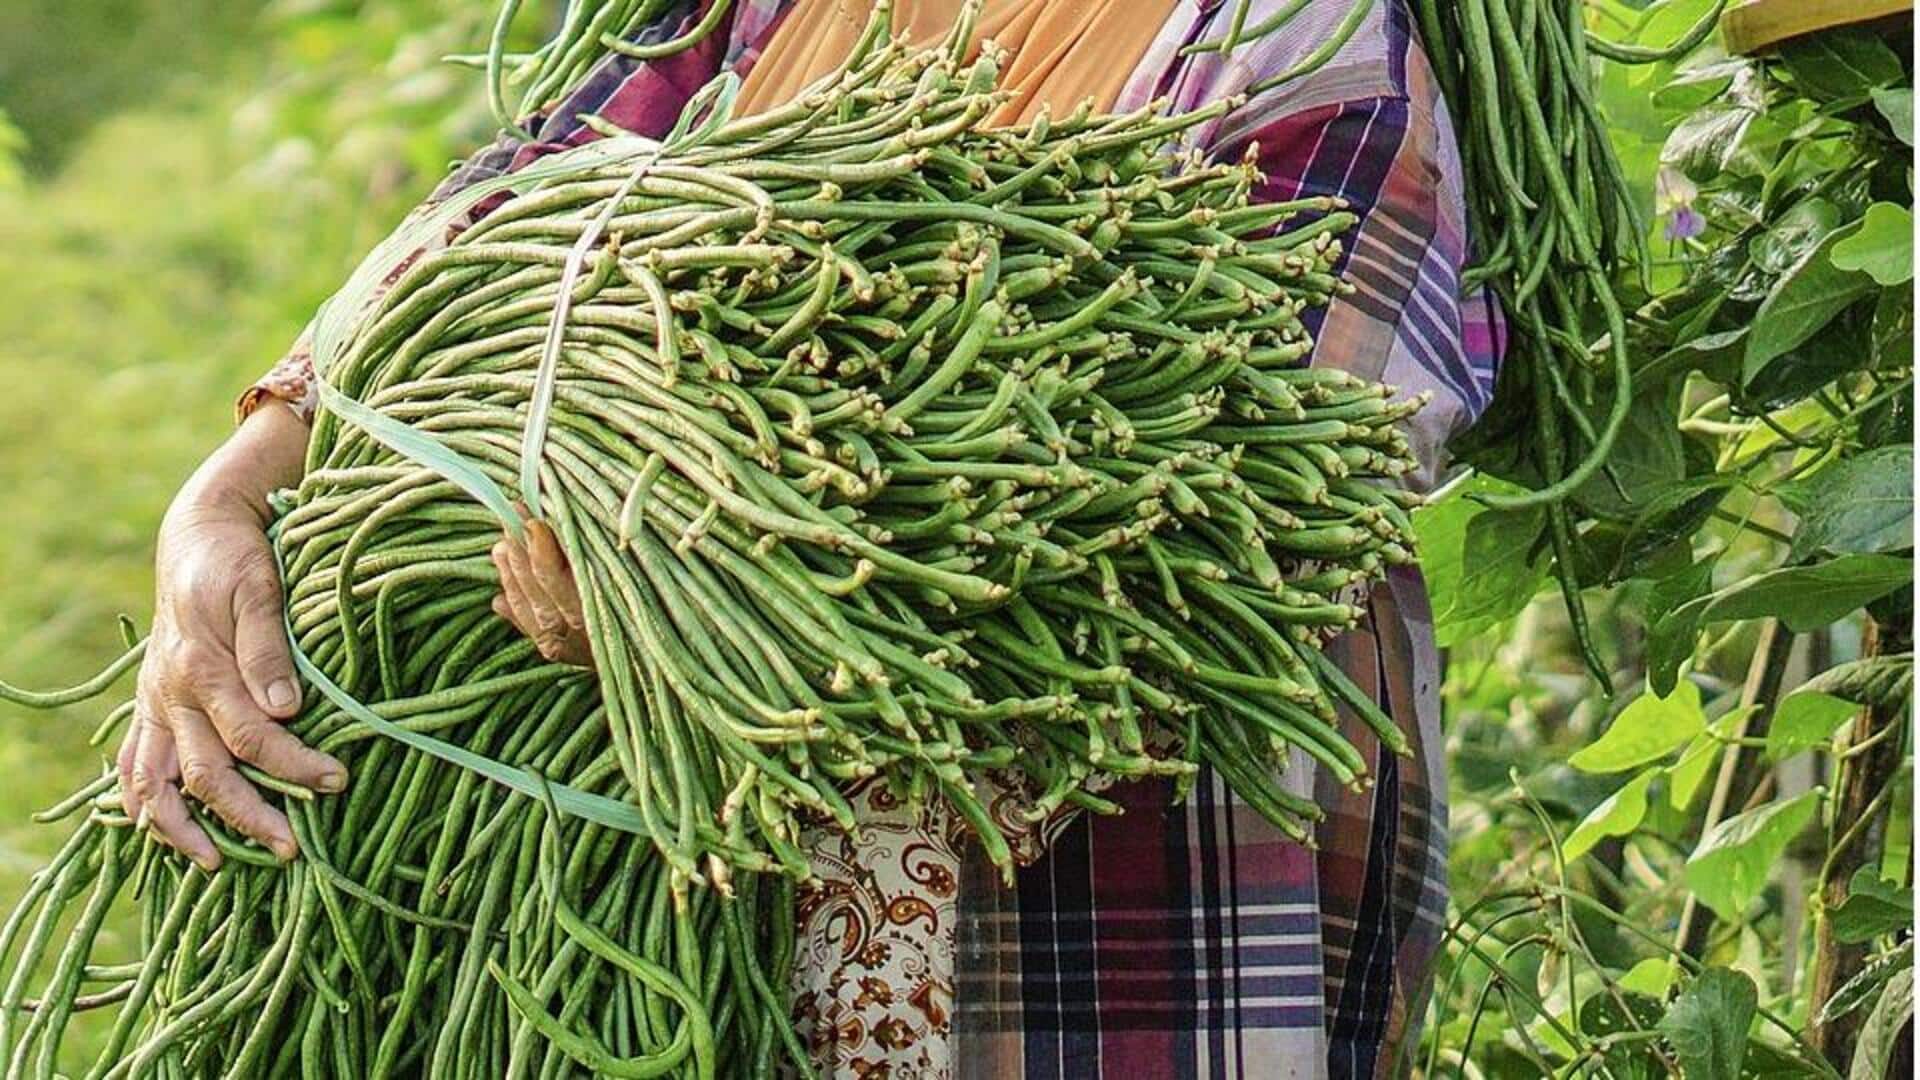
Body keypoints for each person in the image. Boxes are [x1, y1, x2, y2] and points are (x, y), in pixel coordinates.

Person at [119, 1, 1500, 1075]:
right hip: (694, 921)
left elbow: (1214, 529)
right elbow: (518, 203)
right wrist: (238, 484)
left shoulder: (1312, 53)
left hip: (1094, 956)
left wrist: (697, 588)